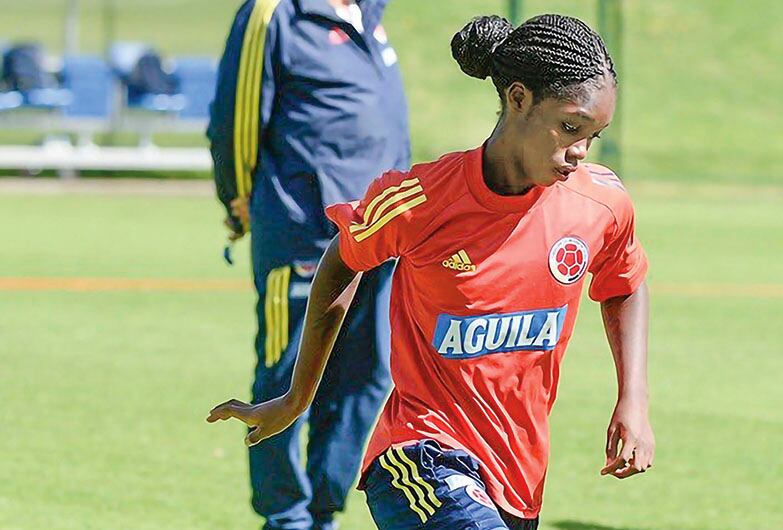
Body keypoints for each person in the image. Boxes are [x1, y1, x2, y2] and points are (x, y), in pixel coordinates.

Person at [209, 13, 654, 530]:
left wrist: (633, 400)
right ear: (518, 99)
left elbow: (624, 282)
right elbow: (342, 258)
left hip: (515, 477)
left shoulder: (598, 204)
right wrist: (297, 397)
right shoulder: (421, 199)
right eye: (570, 127)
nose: (578, 151)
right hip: (418, 456)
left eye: (593, 136)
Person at [206, 1, 409, 529]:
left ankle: (323, 510)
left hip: (381, 237)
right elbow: (237, 113)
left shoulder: (369, 13)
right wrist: (237, 195)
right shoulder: (276, 13)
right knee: (285, 375)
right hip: (303, 234)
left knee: (367, 376)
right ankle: (286, 516)